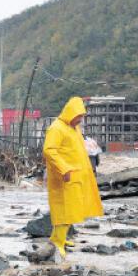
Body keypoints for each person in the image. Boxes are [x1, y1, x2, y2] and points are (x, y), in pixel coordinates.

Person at [43, 97, 103, 259]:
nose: (80, 119)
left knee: (73, 208)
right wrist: (64, 168)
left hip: (77, 176)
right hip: (64, 177)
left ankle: (59, 238)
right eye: (79, 116)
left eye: (82, 116)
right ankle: (58, 243)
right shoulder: (57, 128)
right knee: (63, 210)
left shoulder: (73, 128)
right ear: (70, 113)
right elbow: (49, 150)